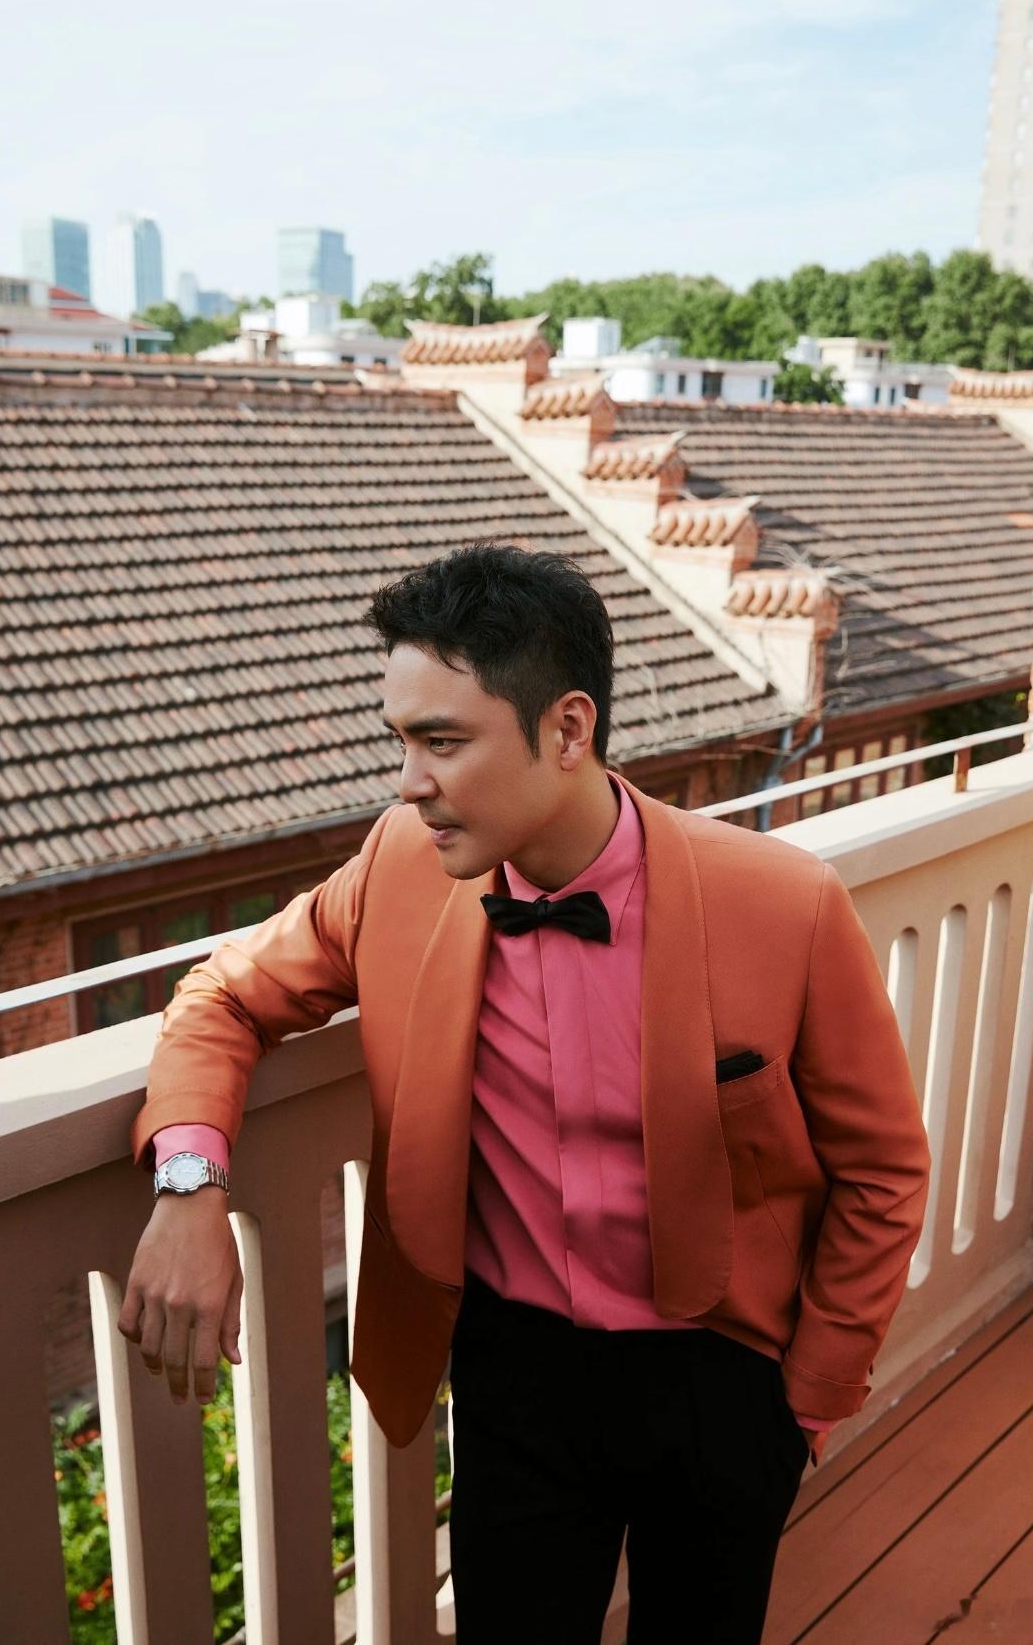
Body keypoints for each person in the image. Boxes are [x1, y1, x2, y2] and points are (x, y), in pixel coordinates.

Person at [120, 540, 931, 1644]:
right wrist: (188, 1183)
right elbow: (221, 996)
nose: (409, 781)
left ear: (567, 730)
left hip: (723, 1372)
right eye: (401, 741)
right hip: (515, 1376)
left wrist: (807, 1399)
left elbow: (883, 1168)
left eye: (442, 742)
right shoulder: (397, 865)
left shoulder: (786, 903)